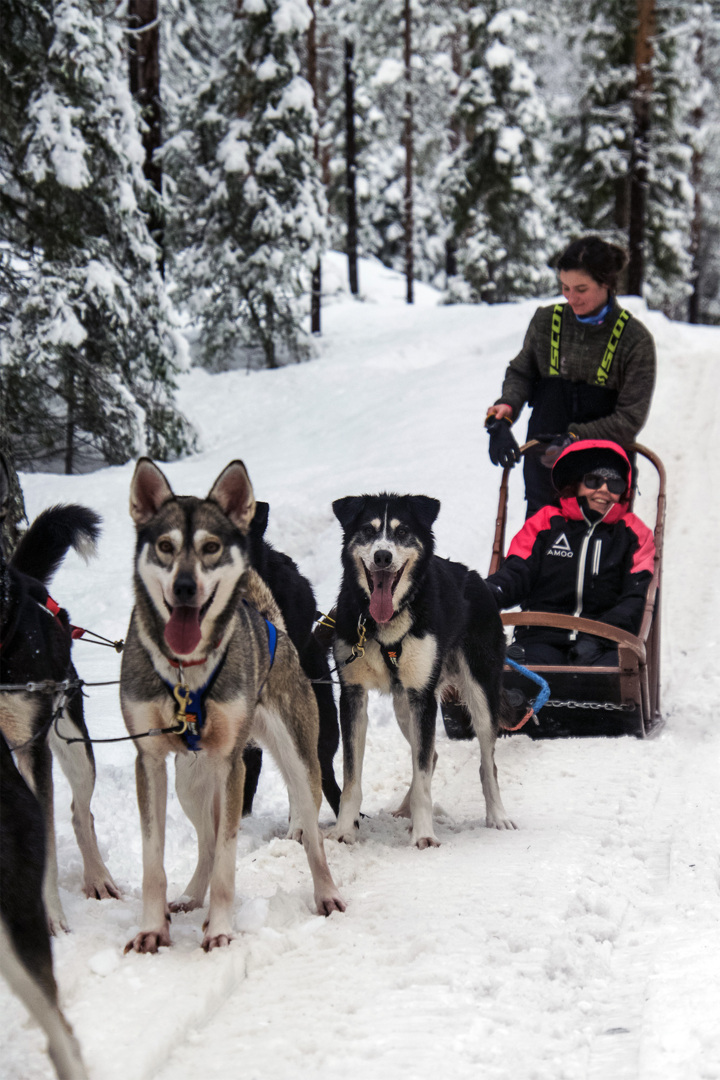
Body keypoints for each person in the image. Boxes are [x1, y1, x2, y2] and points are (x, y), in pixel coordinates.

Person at [485, 236, 656, 516]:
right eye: (565, 288)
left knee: (596, 553)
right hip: (545, 467)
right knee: (541, 548)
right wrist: (505, 410)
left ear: (607, 284)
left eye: (581, 289)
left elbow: (630, 418)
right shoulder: (546, 322)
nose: (571, 298)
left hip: (603, 476)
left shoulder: (634, 341)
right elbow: (521, 373)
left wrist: (576, 437)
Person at [485, 439, 655, 667]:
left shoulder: (633, 533)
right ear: (577, 483)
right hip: (541, 637)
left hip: (604, 643)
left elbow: (635, 597)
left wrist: (599, 639)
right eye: (594, 480)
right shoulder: (546, 522)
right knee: (522, 673)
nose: (604, 490)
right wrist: (486, 593)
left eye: (614, 485)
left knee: (615, 676)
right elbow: (518, 571)